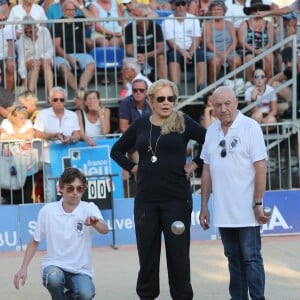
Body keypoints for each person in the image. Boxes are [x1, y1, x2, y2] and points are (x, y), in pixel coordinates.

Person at [110, 79, 206, 299]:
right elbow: (116, 151)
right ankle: (147, 295)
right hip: (146, 201)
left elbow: (210, 140)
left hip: (176, 200)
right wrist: (132, 167)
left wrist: (195, 163)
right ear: (152, 101)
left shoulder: (183, 121)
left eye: (171, 98)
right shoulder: (140, 126)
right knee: (148, 255)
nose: (166, 102)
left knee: (178, 256)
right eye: (161, 98)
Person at [199, 86, 270, 300]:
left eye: (227, 104)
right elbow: (206, 170)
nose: (222, 109)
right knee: (232, 259)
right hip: (223, 211)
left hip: (247, 211)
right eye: (217, 105)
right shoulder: (211, 131)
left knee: (251, 258)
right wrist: (204, 206)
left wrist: (257, 203)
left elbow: (261, 167)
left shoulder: (251, 127)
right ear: (212, 107)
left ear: (236, 103)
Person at [13, 167, 109, 299]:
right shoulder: (48, 210)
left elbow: (105, 230)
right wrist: (23, 268)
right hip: (54, 266)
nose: (75, 192)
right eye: (70, 188)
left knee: (86, 295)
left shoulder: (89, 208)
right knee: (53, 279)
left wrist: (96, 223)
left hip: (81, 271)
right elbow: (35, 241)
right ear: (61, 188)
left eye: (79, 189)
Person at [162, 0, 205, 92]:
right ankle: (176, 88)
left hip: (191, 49)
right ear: (173, 6)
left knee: (201, 55)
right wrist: (183, 52)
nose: (180, 6)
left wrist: (190, 53)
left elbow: (197, 39)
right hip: (175, 49)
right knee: (173, 55)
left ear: (186, 6)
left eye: (183, 4)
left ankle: (201, 88)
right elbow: (170, 42)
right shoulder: (167, 21)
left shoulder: (193, 19)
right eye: (178, 4)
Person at [52, 0, 96, 91]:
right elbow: (57, 47)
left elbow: (92, 20)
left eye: (74, 9)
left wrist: (79, 5)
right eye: (68, 10)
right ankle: (77, 92)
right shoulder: (57, 24)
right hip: (63, 55)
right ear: (63, 10)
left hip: (80, 53)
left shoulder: (79, 19)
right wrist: (70, 59)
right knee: (63, 67)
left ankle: (81, 89)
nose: (71, 12)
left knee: (91, 65)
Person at [124, 3, 166, 81]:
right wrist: (138, 56)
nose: (134, 18)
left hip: (152, 55)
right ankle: (125, 90)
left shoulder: (156, 27)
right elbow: (128, 50)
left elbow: (160, 48)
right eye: (133, 15)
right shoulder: (129, 28)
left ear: (145, 16)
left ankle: (162, 85)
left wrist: (145, 56)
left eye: (137, 16)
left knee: (160, 58)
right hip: (135, 56)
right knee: (126, 63)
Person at [204, 0, 242, 85]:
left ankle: (232, 86)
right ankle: (211, 87)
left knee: (237, 60)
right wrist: (221, 54)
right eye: (214, 9)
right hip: (213, 51)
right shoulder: (207, 24)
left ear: (223, 11)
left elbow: (234, 41)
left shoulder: (229, 24)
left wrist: (227, 53)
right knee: (216, 61)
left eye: (219, 9)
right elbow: (207, 43)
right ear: (210, 11)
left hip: (228, 51)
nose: (216, 11)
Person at [238, 0, 274, 82]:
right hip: (248, 49)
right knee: (249, 58)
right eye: (255, 10)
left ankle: (267, 83)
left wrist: (262, 50)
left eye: (260, 9)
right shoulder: (244, 23)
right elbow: (242, 42)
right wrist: (254, 50)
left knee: (269, 57)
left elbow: (271, 41)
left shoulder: (268, 24)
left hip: (264, 49)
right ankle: (249, 82)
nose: (257, 12)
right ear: (250, 11)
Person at [18, 16, 54, 95]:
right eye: (26, 32)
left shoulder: (44, 31)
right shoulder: (21, 39)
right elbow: (21, 59)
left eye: (30, 31)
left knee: (45, 63)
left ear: (35, 27)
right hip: (30, 60)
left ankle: (51, 94)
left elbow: (50, 49)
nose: (28, 34)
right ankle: (30, 95)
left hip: (46, 57)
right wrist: (23, 77)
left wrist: (42, 58)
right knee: (36, 65)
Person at [268, 47, 300, 118]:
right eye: (285, 62)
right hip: (295, 100)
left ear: (297, 58)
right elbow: (271, 80)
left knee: (276, 108)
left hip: (297, 104)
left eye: (290, 61)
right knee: (274, 84)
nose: (288, 65)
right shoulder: (290, 69)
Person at [0, 6, 15, 91]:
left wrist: (10, 59)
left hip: (6, 57)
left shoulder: (9, 26)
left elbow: (11, 44)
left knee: (10, 67)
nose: (2, 22)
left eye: (3, 19)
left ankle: (7, 96)